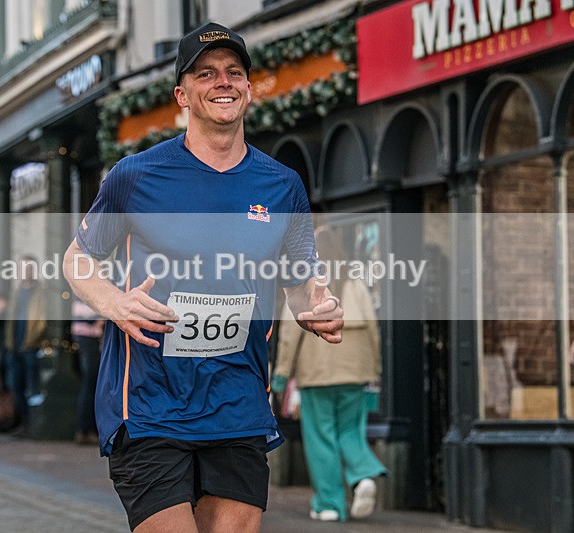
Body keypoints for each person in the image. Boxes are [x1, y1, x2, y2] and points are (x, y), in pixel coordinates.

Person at [62, 22, 344, 532]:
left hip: (237, 400)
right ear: (182, 95)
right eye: (206, 73)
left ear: (249, 89)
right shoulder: (136, 176)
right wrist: (114, 303)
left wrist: (318, 308)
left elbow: (302, 283)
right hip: (150, 402)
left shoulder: (282, 186)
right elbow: (78, 259)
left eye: (234, 72)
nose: (223, 82)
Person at [272, 226, 387, 522]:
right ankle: (363, 476)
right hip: (355, 371)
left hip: (317, 372)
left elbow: (289, 335)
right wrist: (375, 367)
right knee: (350, 429)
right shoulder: (355, 283)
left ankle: (329, 504)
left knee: (321, 437)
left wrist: (281, 377)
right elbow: (373, 328)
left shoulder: (304, 285)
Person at [4, 256, 48, 430]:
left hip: (31, 346)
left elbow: (42, 319)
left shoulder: (40, 292)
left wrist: (34, 339)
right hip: (15, 345)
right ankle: (23, 420)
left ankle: (33, 423)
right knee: (15, 384)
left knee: (32, 386)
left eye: (28, 268)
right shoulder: (16, 292)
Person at [71, 298, 104, 445]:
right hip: (89, 335)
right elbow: (85, 312)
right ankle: (85, 429)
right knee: (91, 383)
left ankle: (85, 429)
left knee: (90, 383)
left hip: (85, 334)